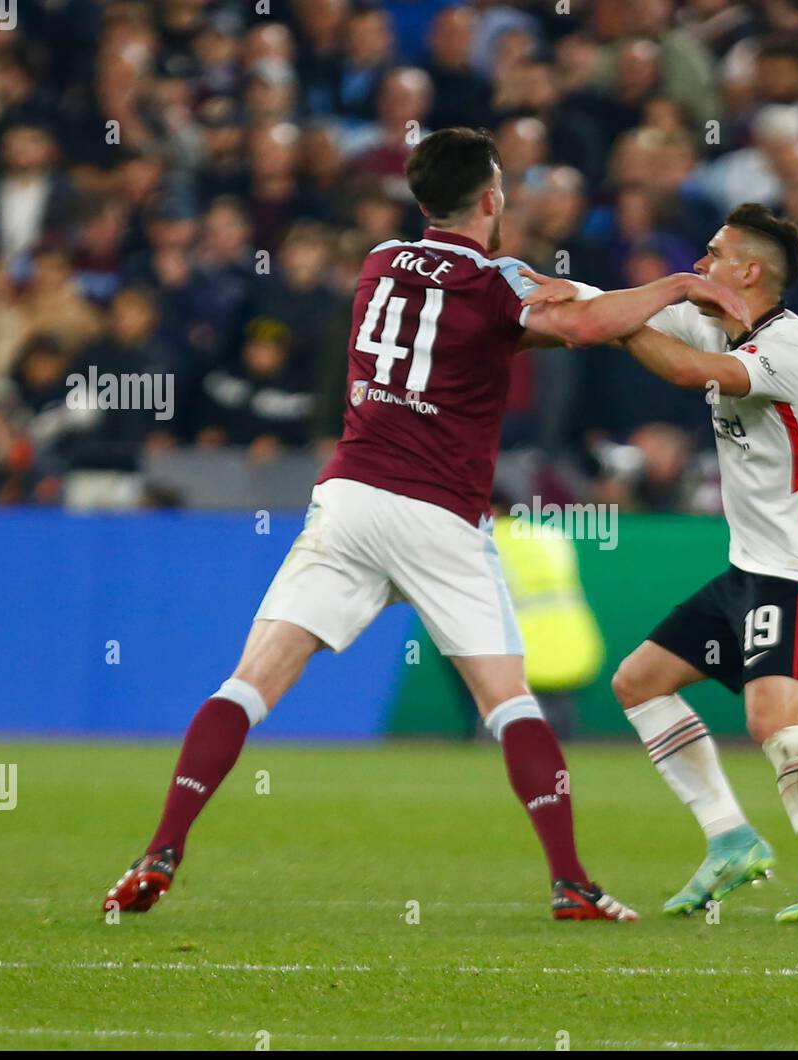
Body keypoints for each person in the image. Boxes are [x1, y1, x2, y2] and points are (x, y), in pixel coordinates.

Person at [102, 126, 749, 922]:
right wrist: (680, 285)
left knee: (249, 682)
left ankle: (161, 847)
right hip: (437, 513)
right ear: (491, 198)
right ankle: (572, 882)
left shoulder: (377, 262)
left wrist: (545, 286)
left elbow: (513, 293)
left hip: (346, 498)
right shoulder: (491, 289)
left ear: (419, 201)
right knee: (511, 703)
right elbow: (582, 327)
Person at [582, 203, 798, 923]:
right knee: (640, 682)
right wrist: (531, 286)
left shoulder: (789, 346)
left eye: (712, 254)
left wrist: (659, 299)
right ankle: (730, 838)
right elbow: (607, 314)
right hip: (750, 568)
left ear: (747, 271)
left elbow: (682, 369)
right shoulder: (714, 320)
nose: (700, 263)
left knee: (772, 719)